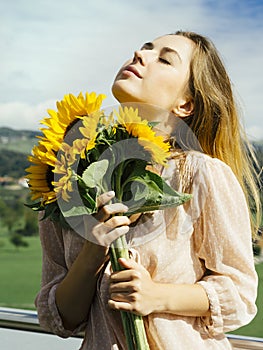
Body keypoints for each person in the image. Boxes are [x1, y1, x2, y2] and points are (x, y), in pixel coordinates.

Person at [35, 31, 261, 349]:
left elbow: (240, 296)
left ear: (186, 104)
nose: (141, 55)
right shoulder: (68, 181)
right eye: (145, 47)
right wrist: (92, 253)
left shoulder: (198, 174)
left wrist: (157, 296)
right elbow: (61, 318)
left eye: (165, 59)